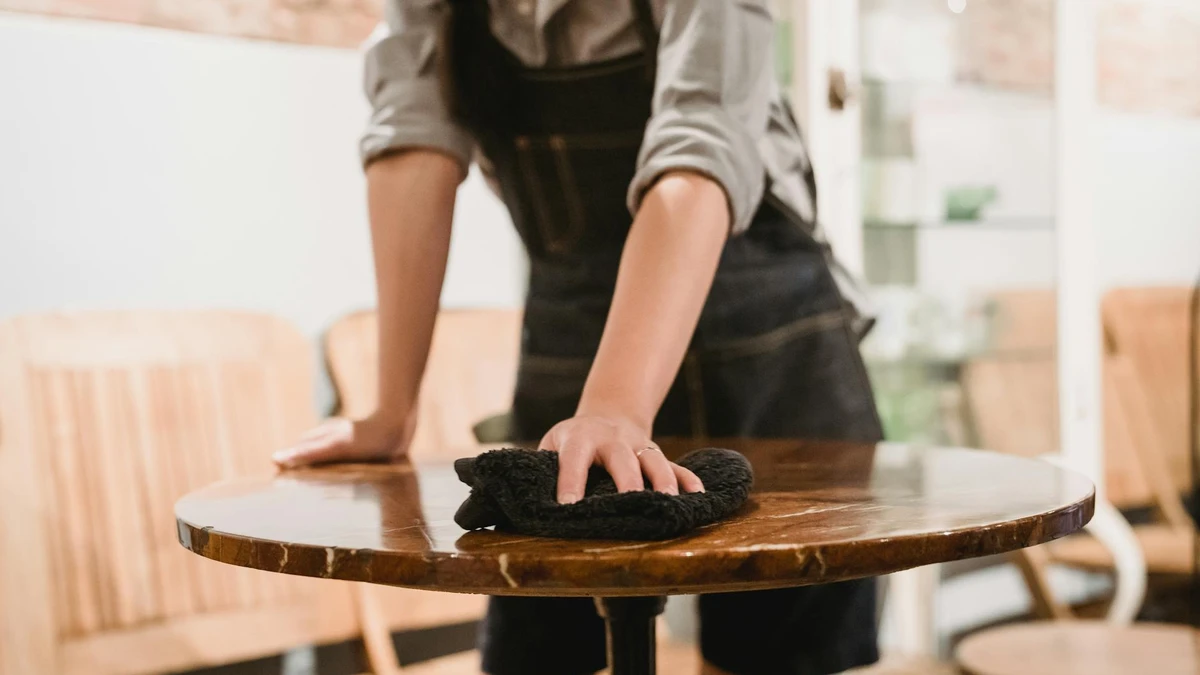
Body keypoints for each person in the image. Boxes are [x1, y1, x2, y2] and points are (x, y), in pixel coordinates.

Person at [273, 1, 884, 673]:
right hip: (572, 338)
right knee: (541, 647)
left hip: (773, 347)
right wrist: (391, 409)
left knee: (772, 653)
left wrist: (617, 406)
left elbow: (700, 145)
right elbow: (414, 138)